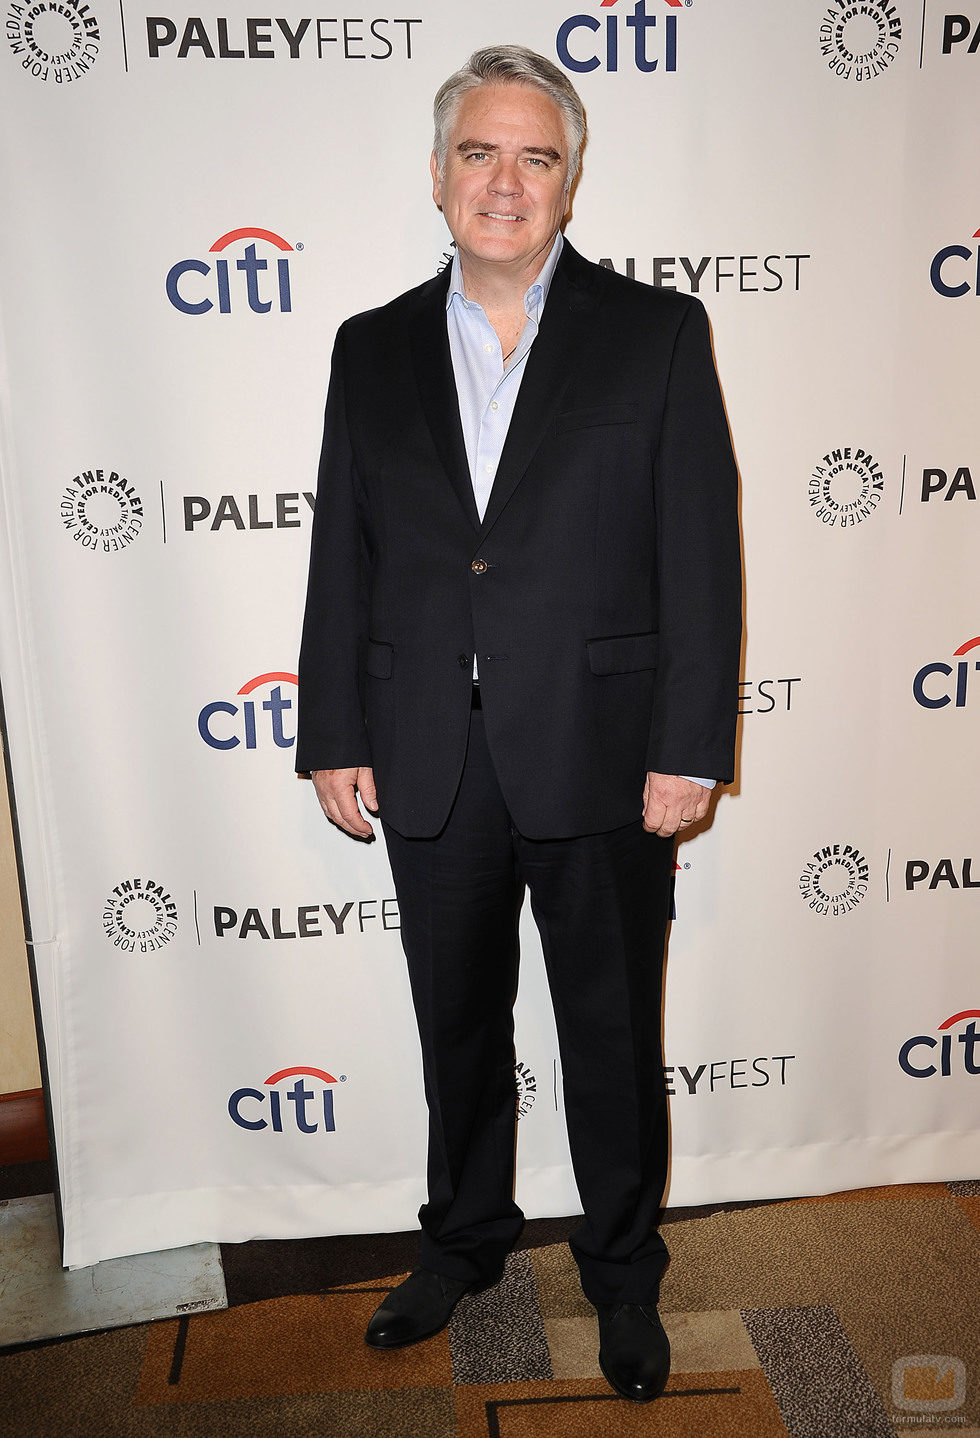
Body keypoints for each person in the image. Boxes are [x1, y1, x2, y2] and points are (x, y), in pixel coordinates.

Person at [296, 44, 740, 1404]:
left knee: (610, 1030)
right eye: (480, 154)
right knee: (456, 1024)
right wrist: (334, 728)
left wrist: (689, 746)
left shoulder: (656, 333)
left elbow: (699, 556)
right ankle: (464, 1240)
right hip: (428, 747)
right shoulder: (369, 348)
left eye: (534, 157)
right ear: (439, 176)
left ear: (569, 180)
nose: (505, 181)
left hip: (602, 750)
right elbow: (343, 553)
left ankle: (622, 1269)